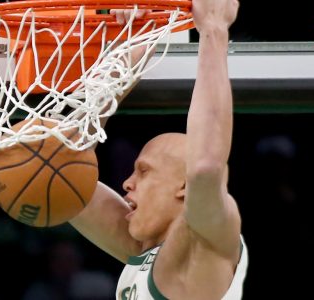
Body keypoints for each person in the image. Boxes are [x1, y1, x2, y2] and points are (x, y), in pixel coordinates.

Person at [70, 0, 248, 298]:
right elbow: (61, 171)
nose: (127, 183)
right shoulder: (143, 251)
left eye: (144, 171)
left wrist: (214, 30)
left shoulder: (205, 244)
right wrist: (127, 61)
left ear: (183, 185)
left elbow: (206, 167)